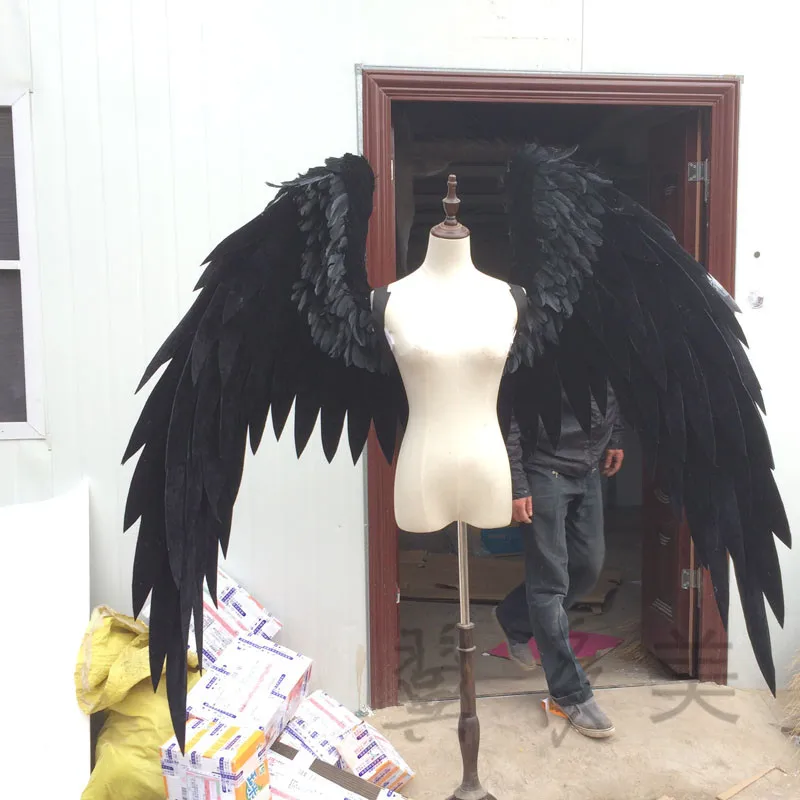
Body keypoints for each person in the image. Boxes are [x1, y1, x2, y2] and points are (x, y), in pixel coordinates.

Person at [494, 386, 626, 739]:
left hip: (588, 467)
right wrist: (517, 483)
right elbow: (509, 413)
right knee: (549, 584)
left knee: (588, 566)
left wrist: (615, 436)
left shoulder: (608, 351)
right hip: (544, 468)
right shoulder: (539, 354)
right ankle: (571, 693)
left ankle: (514, 617)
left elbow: (613, 390)